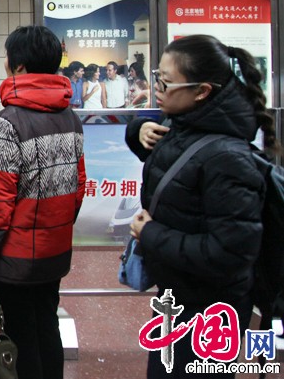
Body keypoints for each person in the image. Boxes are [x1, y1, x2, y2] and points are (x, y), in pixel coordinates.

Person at [126, 34, 274, 379]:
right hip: (178, 299)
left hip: (210, 314)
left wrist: (151, 234)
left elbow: (230, 253)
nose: (156, 88)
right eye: (156, 77)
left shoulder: (227, 158)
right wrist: (138, 129)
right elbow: (171, 169)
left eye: (165, 81)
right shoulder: (185, 125)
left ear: (202, 91)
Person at [0, 25, 86, 379]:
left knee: (18, 336)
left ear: (17, 67)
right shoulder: (70, 117)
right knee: (46, 324)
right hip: (55, 250)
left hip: (15, 257)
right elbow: (78, 186)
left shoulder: (7, 123)